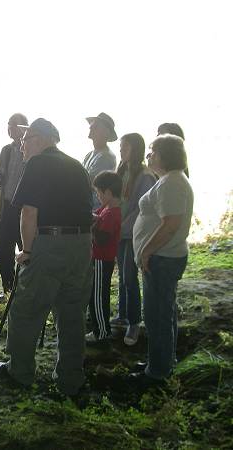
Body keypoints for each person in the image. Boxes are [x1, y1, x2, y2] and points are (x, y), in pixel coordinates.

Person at [0, 118, 93, 397]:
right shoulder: (76, 165)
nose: (22, 146)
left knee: (26, 309)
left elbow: (28, 212)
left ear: (39, 138)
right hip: (82, 244)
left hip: (50, 243)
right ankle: (70, 378)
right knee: (72, 314)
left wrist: (27, 250)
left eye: (25, 140)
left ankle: (20, 371)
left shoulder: (38, 164)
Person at [132, 134, 193, 385]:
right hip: (162, 257)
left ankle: (157, 373)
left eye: (153, 151)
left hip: (162, 258)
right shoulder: (169, 180)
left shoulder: (173, 183)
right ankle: (160, 362)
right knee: (161, 314)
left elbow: (171, 225)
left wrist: (145, 250)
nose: (149, 155)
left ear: (165, 154)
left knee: (157, 315)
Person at [112, 133, 156, 345]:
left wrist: (122, 226)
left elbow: (142, 208)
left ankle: (134, 322)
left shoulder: (145, 176)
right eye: (120, 147)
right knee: (122, 276)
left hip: (133, 233)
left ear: (136, 149)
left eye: (125, 147)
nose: (121, 150)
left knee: (130, 277)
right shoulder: (122, 170)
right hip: (120, 231)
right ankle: (122, 314)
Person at [0, 113, 27, 297]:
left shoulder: (31, 149)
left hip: (25, 209)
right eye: (8, 125)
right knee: (3, 250)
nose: (10, 128)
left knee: (26, 249)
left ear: (24, 127)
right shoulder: (6, 150)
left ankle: (25, 288)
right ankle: (8, 289)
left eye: (14, 125)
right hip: (5, 207)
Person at [86, 171, 122, 346]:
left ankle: (101, 332)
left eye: (99, 193)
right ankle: (99, 329)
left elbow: (102, 239)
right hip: (98, 259)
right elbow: (95, 214)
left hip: (102, 260)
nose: (98, 196)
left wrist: (92, 225)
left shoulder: (112, 213)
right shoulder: (106, 209)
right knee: (96, 294)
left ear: (108, 192)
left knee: (99, 297)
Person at [83, 112, 117, 209]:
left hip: (95, 208)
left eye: (96, 125)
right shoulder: (89, 154)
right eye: (92, 124)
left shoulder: (106, 156)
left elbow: (91, 181)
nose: (91, 127)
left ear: (106, 132)